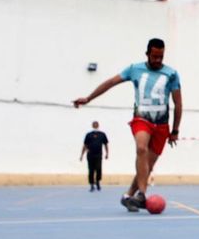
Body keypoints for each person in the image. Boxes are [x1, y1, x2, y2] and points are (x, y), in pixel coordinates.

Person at [74, 38, 182, 212]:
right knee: (141, 148)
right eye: (154, 56)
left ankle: (128, 196)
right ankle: (142, 193)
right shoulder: (134, 69)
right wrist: (88, 98)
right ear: (147, 54)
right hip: (141, 120)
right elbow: (110, 82)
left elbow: (178, 103)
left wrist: (175, 130)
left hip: (162, 125)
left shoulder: (171, 74)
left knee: (148, 165)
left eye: (161, 57)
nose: (157, 60)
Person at [80, 121, 109, 192]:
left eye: (96, 124)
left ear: (98, 125)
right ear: (92, 125)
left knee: (99, 168)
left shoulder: (102, 134)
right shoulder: (88, 135)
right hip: (90, 155)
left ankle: (98, 181)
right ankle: (92, 184)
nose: (95, 125)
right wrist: (82, 155)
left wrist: (107, 153)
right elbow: (85, 145)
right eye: (94, 124)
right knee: (91, 170)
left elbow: (105, 144)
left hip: (98, 154)